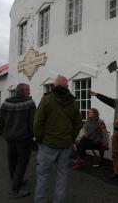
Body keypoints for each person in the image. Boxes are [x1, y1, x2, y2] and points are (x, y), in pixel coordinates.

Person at [34, 75, 82, 203]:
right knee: (62, 175)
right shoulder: (73, 102)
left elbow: (38, 121)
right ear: (66, 87)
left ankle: (40, 201)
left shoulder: (47, 99)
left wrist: (39, 139)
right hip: (65, 144)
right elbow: (78, 123)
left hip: (47, 144)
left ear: (54, 86)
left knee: (43, 175)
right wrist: (70, 138)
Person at [0, 83, 36, 199]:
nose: (29, 92)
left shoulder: (6, 103)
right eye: (28, 90)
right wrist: (32, 136)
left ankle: (16, 180)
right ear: (22, 91)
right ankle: (15, 190)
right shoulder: (30, 103)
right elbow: (32, 123)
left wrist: (4, 133)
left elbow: (0, 120)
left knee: (12, 160)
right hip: (23, 138)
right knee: (22, 163)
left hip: (10, 138)